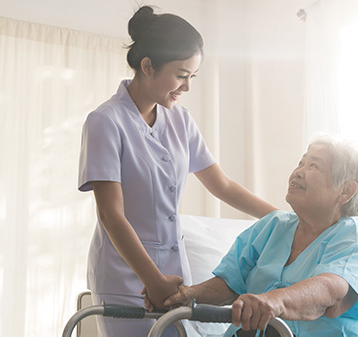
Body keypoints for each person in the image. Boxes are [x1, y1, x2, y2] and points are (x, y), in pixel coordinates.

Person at [77, 6, 277, 337]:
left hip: (174, 272)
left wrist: (284, 221)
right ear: (147, 66)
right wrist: (152, 280)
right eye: (181, 75)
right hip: (125, 272)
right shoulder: (105, 122)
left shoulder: (180, 120)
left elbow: (223, 185)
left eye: (192, 78)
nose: (186, 87)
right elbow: (111, 215)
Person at [163, 134, 358, 336]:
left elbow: (329, 289)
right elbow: (231, 282)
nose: (298, 172)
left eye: (314, 166)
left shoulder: (354, 240)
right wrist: (189, 295)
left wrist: (275, 300)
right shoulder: (273, 226)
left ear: (345, 191)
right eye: (301, 163)